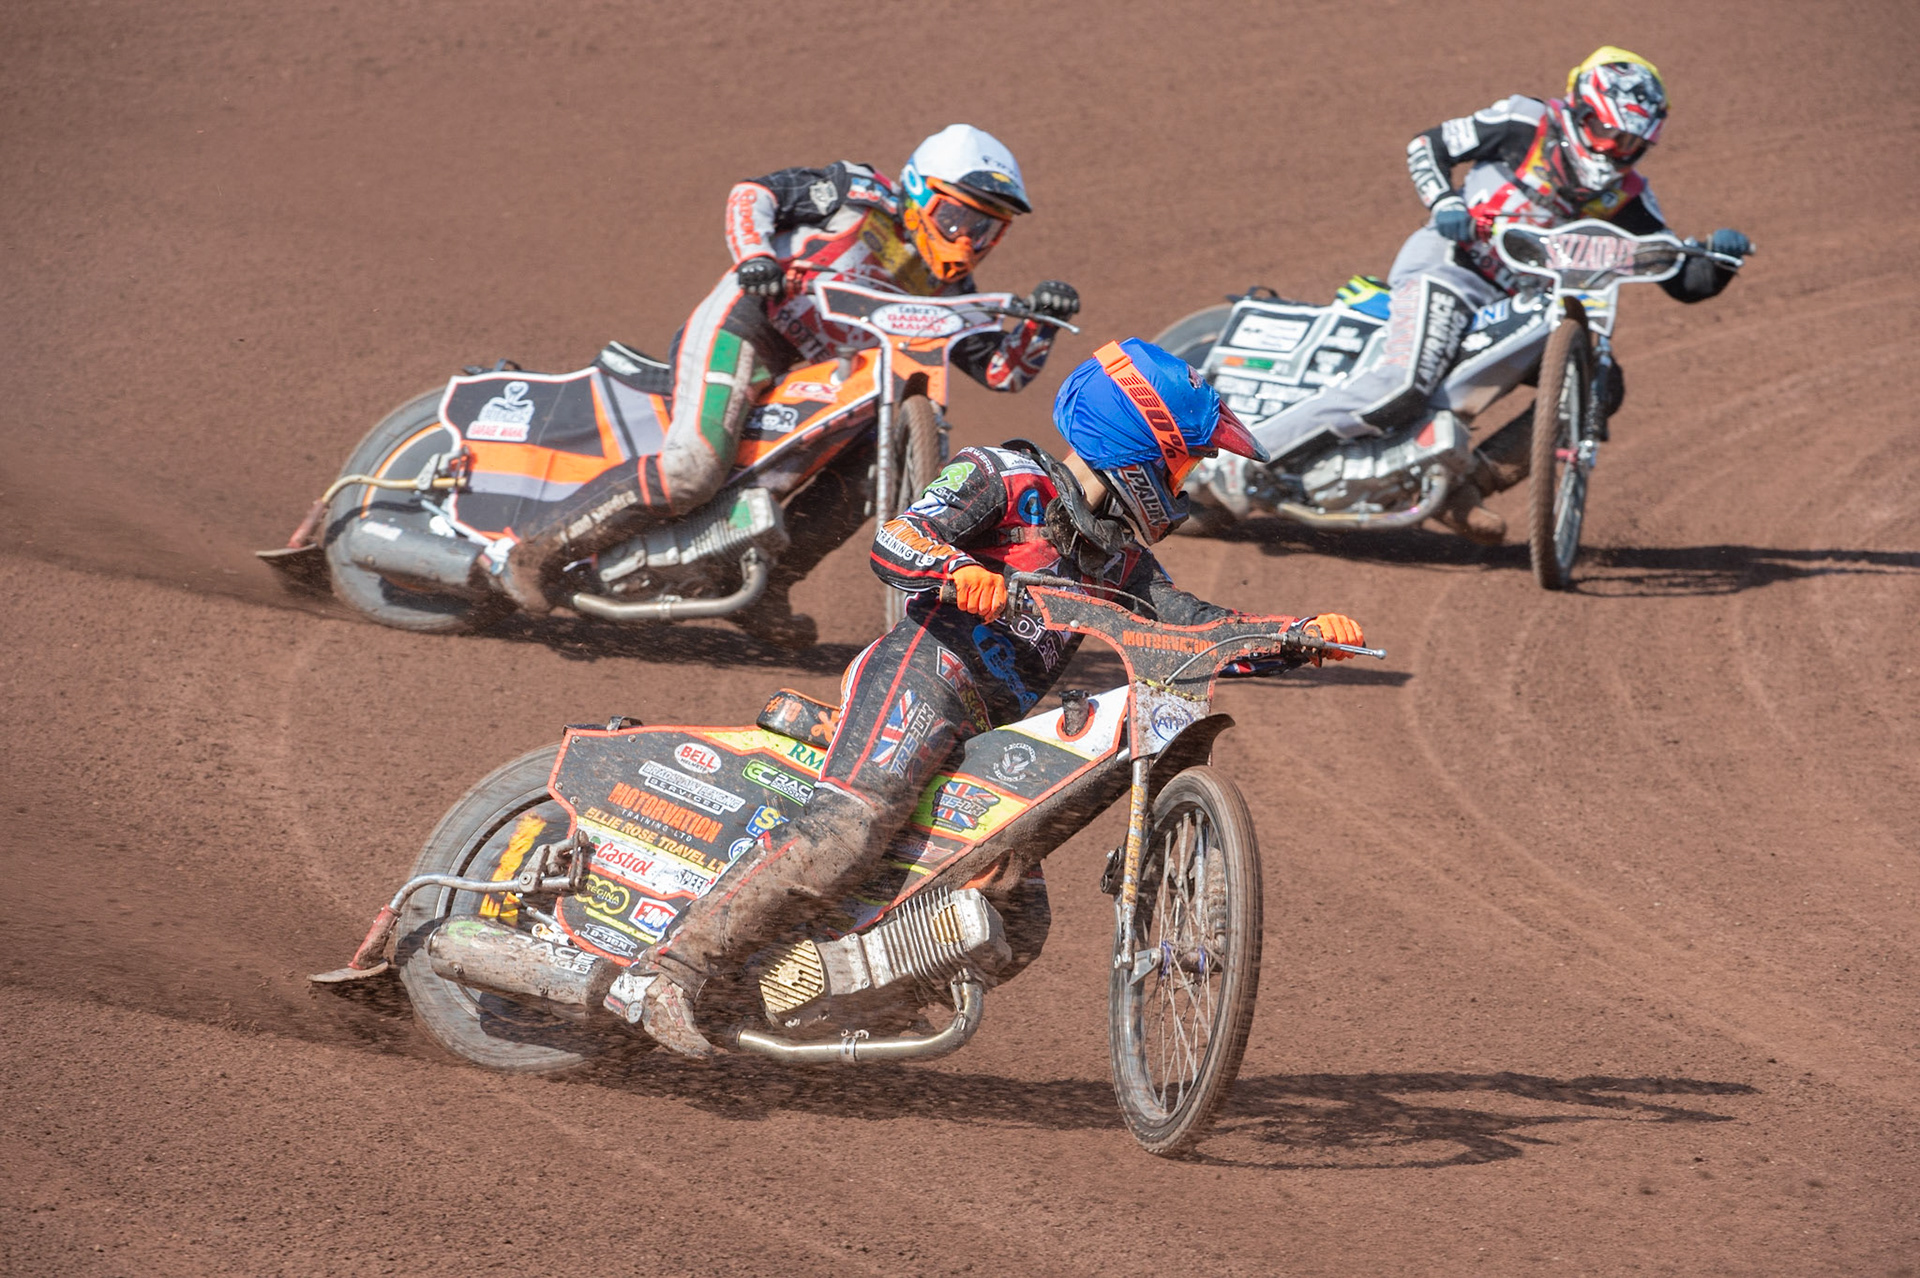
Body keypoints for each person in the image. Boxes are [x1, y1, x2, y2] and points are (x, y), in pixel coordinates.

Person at [603, 338, 1366, 1057]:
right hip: (926, 675)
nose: (1189, 481)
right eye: (1187, 461)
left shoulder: (1122, 560)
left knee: (1017, 916)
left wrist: (1290, 636)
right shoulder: (1003, 476)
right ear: (1146, 448)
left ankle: (814, 992)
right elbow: (899, 538)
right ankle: (665, 972)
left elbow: (1184, 625)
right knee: (851, 829)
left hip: (993, 725)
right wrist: (954, 570)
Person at [497, 124, 1081, 630]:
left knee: (878, 469)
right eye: (957, 217)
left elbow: (1002, 371)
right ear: (920, 191)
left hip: (823, 376)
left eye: (987, 229)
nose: (969, 240)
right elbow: (754, 193)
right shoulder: (858, 192)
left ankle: (766, 591)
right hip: (749, 327)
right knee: (692, 469)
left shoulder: (947, 288)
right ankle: (534, 552)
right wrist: (755, 256)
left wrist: (1044, 323)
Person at [1236, 46, 1753, 543]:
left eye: (1629, 145)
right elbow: (1428, 145)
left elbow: (1680, 280)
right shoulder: (1524, 122)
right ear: (1580, 108)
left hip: (1521, 306)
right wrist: (1443, 200)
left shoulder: (1627, 195)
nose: (1612, 150)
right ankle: (1241, 456)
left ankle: (1466, 488)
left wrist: (1720, 260)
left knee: (1600, 383)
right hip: (1451, 268)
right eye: (1604, 131)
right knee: (1402, 385)